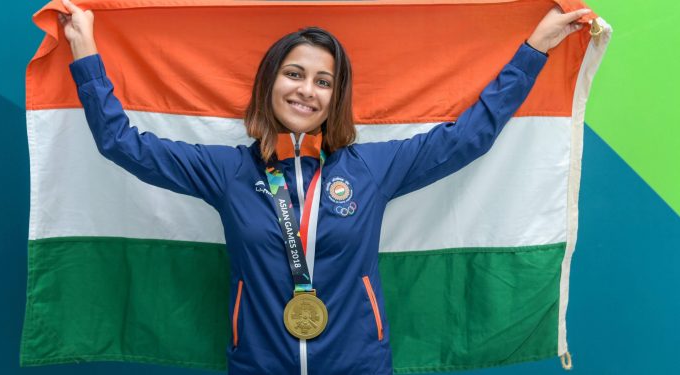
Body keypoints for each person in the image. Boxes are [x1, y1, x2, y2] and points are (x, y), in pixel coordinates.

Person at [58, 0, 591, 373]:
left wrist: (535, 48)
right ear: (269, 82)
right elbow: (121, 143)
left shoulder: (372, 169)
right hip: (259, 364)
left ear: (336, 98)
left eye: (323, 81)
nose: (306, 91)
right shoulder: (226, 172)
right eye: (294, 74)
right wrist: (85, 52)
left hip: (358, 364)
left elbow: (470, 137)